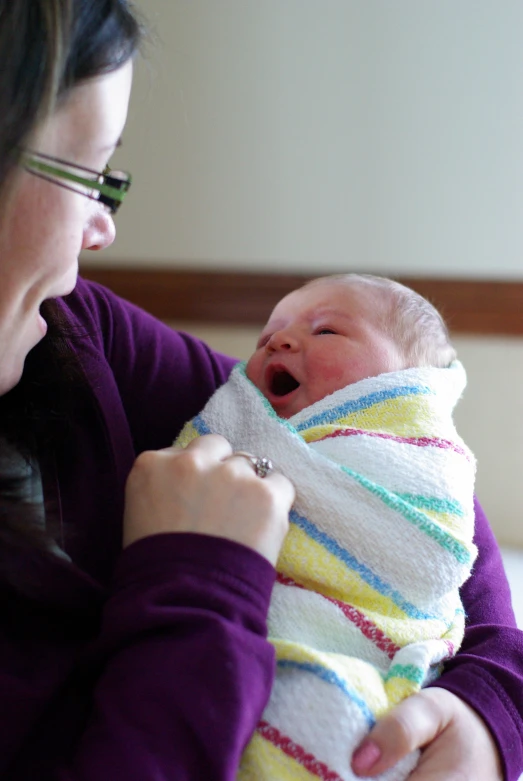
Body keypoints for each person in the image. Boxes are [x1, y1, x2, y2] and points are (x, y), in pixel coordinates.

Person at [0, 2, 521, 780]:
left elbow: (403, 473)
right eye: (85, 171)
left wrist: (487, 709)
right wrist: (200, 573)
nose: (102, 230)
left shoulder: (71, 334)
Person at [175, 273, 478, 780]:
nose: (279, 340)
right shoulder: (250, 425)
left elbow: (435, 555)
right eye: (266, 335)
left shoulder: (423, 461)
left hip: (365, 657)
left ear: (403, 383)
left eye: (326, 331)